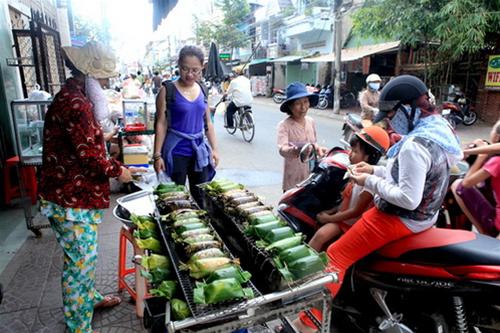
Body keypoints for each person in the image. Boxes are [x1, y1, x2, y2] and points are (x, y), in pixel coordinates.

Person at [295, 75, 462, 333]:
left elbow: (408, 197)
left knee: (336, 255)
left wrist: (368, 181)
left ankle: (309, 324)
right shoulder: (438, 131)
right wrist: (373, 170)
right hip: (425, 218)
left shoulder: (413, 145)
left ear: (408, 109)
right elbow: (408, 175)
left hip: (401, 217)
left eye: (392, 113)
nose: (389, 120)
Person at [39, 41, 132, 333]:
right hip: (70, 198)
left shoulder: (74, 95)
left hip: (73, 194)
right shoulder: (75, 104)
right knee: (79, 264)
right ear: (88, 74)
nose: (107, 82)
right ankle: (78, 326)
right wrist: (120, 171)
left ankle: (88, 299)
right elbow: (89, 158)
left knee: (84, 258)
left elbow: (80, 143)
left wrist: (99, 136)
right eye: (103, 77)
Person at [153, 45, 219, 204]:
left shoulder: (203, 89)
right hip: (176, 153)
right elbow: (161, 123)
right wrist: (157, 155)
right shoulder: (167, 90)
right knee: (176, 199)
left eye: (195, 70)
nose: (190, 74)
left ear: (202, 68)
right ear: (178, 65)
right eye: (185, 69)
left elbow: (208, 122)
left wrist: (215, 149)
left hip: (199, 152)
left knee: (201, 196)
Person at [309, 126, 390, 252]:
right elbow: (347, 200)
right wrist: (331, 211)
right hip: (342, 218)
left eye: (355, 151)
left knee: (320, 236)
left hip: (350, 224)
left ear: (368, 157)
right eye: (351, 150)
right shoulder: (355, 171)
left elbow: (355, 211)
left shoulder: (370, 182)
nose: (350, 154)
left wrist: (329, 218)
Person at [451, 121, 500, 237]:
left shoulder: (496, 161)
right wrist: (468, 151)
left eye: (492, 130)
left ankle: (485, 234)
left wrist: (481, 156)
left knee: (457, 185)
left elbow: (466, 184)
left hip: (497, 224)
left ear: (497, 136)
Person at [277, 82, 325, 192]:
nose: (303, 107)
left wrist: (319, 149)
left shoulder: (311, 121)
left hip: (311, 176)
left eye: (305, 102)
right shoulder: (284, 125)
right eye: (298, 103)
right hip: (293, 179)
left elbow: (314, 144)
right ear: (290, 106)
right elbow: (282, 149)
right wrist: (296, 150)